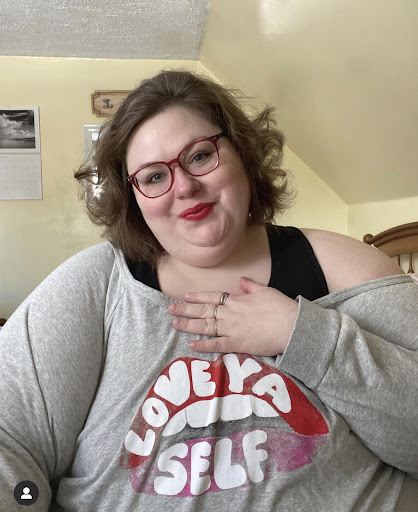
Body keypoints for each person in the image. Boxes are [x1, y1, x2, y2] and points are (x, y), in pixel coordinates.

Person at [0, 70, 417, 511]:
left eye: (200, 156)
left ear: (243, 153)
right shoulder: (95, 285)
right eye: (154, 177)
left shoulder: (345, 266)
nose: (184, 186)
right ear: (133, 199)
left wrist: (304, 335)